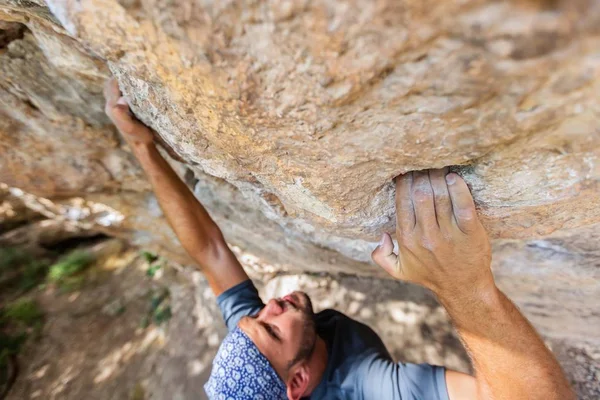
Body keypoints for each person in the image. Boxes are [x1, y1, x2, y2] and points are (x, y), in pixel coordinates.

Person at [104, 79, 574, 400]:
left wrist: (140, 145)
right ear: (300, 381)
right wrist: (465, 286)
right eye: (270, 328)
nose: (269, 306)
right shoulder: (363, 383)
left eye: (255, 320)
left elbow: (209, 251)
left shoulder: (256, 349)